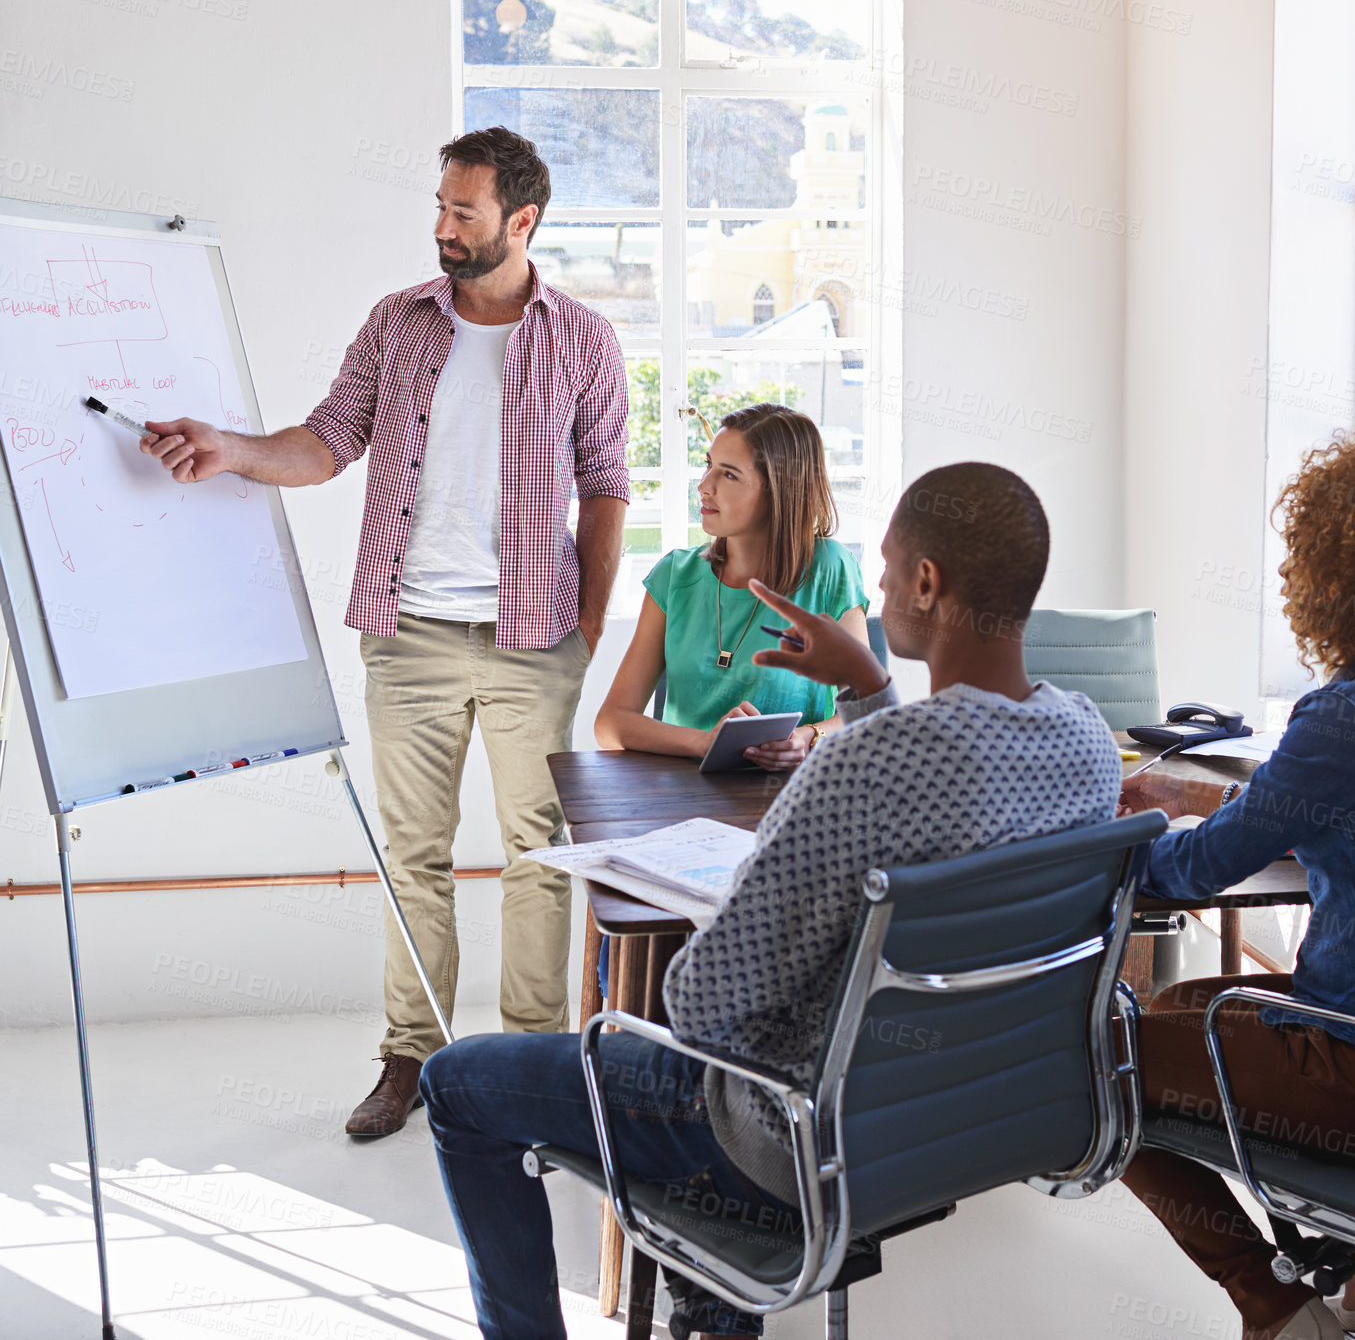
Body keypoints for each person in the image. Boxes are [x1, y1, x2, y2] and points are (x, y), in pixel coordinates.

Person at [420, 462, 1123, 1339]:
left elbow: (703, 1005)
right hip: (968, 1116)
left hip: (792, 1133)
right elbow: (957, 784)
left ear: (928, 584)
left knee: (456, 1082)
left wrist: (738, 905)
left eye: (890, 567)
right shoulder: (1087, 742)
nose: (876, 583)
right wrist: (867, 686)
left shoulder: (858, 769)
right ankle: (715, 1305)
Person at [140, 127, 630, 1137]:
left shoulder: (582, 338)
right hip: (407, 634)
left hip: (533, 636)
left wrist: (581, 627)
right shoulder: (398, 324)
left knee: (538, 851)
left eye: (465, 211)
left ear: (521, 221)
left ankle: (531, 1064)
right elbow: (327, 442)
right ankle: (413, 1056)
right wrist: (227, 447)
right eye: (440, 207)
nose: (443, 227)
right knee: (414, 852)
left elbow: (606, 486)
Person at [1118, 429, 1355, 1340]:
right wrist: (1195, 794)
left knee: (1094, 1060)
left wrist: (1107, 831)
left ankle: (1276, 1304)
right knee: (1184, 1000)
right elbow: (1342, 812)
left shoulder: (1347, 719)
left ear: (1327, 572)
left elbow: (1190, 870)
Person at [595, 403, 869, 774]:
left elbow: (867, 712)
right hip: (686, 798)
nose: (704, 486)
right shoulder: (675, 575)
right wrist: (704, 742)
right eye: (709, 465)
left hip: (796, 797)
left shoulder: (830, 569)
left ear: (779, 490)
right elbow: (611, 724)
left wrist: (811, 737)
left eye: (729, 475)